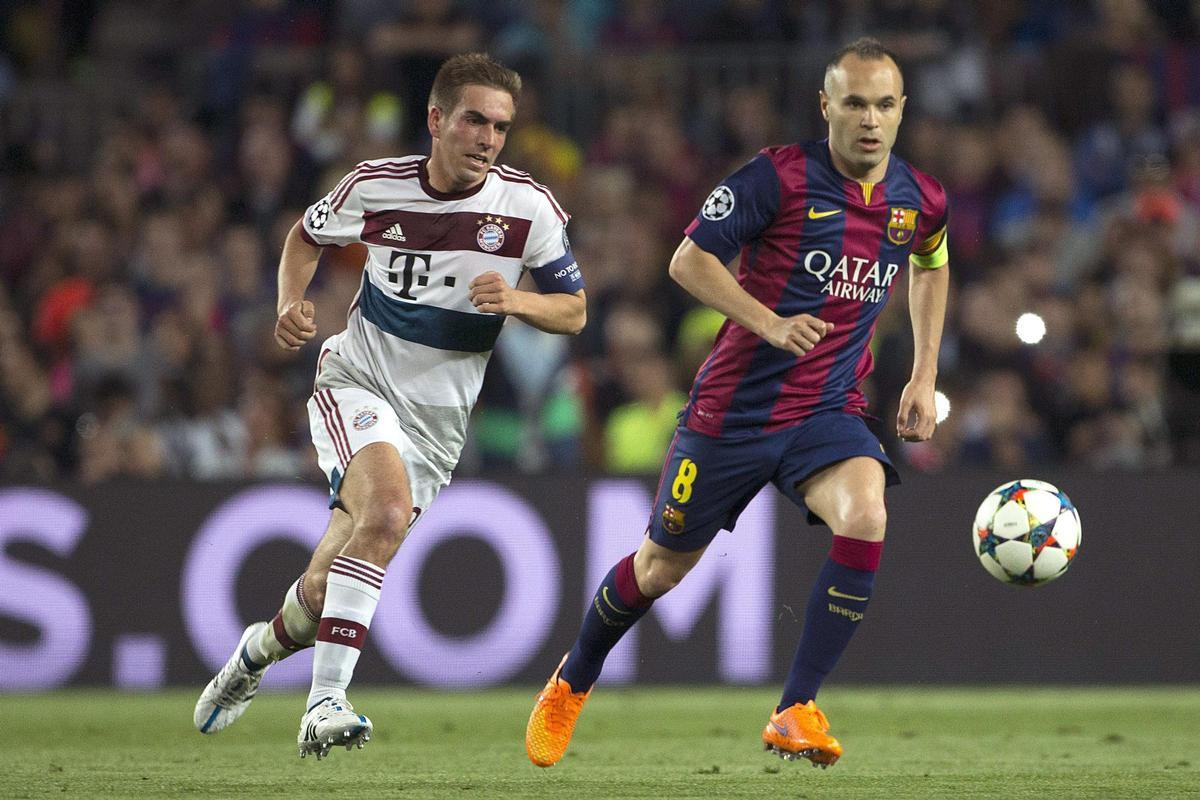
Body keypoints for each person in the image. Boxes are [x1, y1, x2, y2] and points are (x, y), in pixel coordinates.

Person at [526, 37, 949, 769]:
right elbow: (687, 260)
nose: (870, 120)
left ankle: (795, 707)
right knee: (658, 571)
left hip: (827, 412)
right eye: (854, 103)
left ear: (902, 110)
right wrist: (769, 321)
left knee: (868, 510)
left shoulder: (919, 199)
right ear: (827, 106)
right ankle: (572, 680)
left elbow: (932, 264)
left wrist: (922, 372)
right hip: (733, 416)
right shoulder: (776, 178)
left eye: (884, 105)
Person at [193, 52, 586, 760]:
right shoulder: (374, 188)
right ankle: (324, 705)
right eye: (474, 120)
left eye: (500, 127)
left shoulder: (528, 209)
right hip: (357, 381)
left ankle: (252, 655)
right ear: (437, 120)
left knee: (321, 590)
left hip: (438, 428)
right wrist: (289, 302)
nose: (488, 138)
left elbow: (575, 310)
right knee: (383, 512)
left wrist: (519, 300)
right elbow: (305, 237)